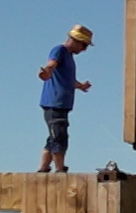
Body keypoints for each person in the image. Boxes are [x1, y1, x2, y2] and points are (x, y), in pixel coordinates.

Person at [36, 26, 94, 173]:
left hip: (62, 104)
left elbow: (67, 80)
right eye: (84, 45)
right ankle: (60, 169)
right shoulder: (59, 51)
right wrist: (46, 73)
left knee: (54, 136)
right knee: (59, 136)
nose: (84, 49)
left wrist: (80, 86)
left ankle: (43, 168)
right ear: (76, 40)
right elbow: (51, 65)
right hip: (53, 103)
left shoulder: (69, 58)